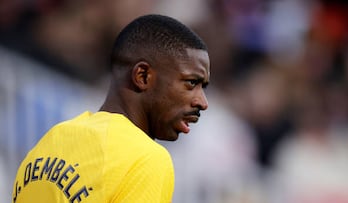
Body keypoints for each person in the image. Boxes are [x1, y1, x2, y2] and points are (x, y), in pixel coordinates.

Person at [12, 14, 210, 203]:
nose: (202, 102)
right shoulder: (146, 159)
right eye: (191, 83)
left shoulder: (51, 141)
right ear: (142, 76)